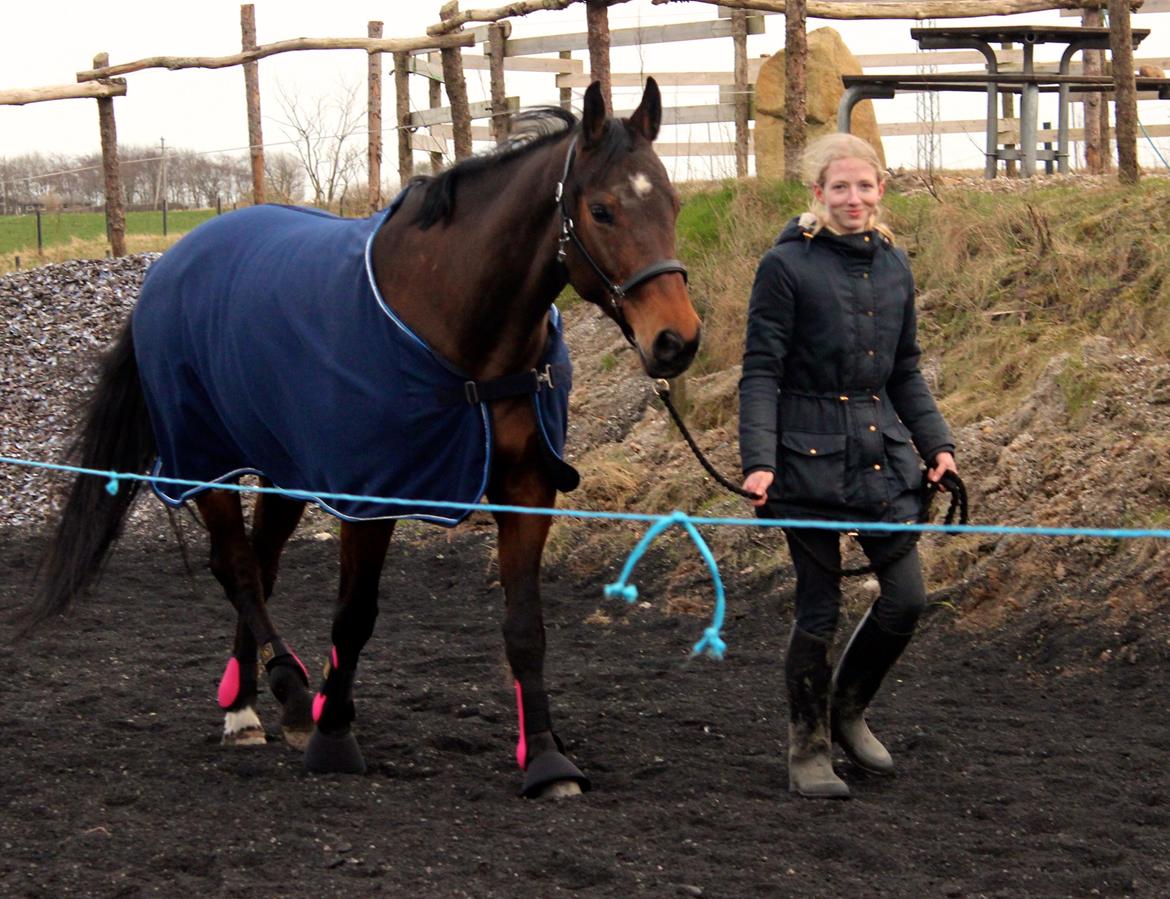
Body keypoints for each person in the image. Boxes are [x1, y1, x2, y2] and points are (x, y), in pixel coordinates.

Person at [738, 133, 959, 800]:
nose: (853, 199)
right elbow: (761, 371)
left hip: (879, 455)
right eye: (840, 188)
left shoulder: (895, 265)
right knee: (819, 610)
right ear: (818, 194)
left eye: (864, 186)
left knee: (908, 597)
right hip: (804, 459)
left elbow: (906, 370)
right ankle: (807, 745)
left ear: (881, 188)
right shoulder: (784, 266)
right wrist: (758, 459)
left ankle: (849, 709)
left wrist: (937, 444)